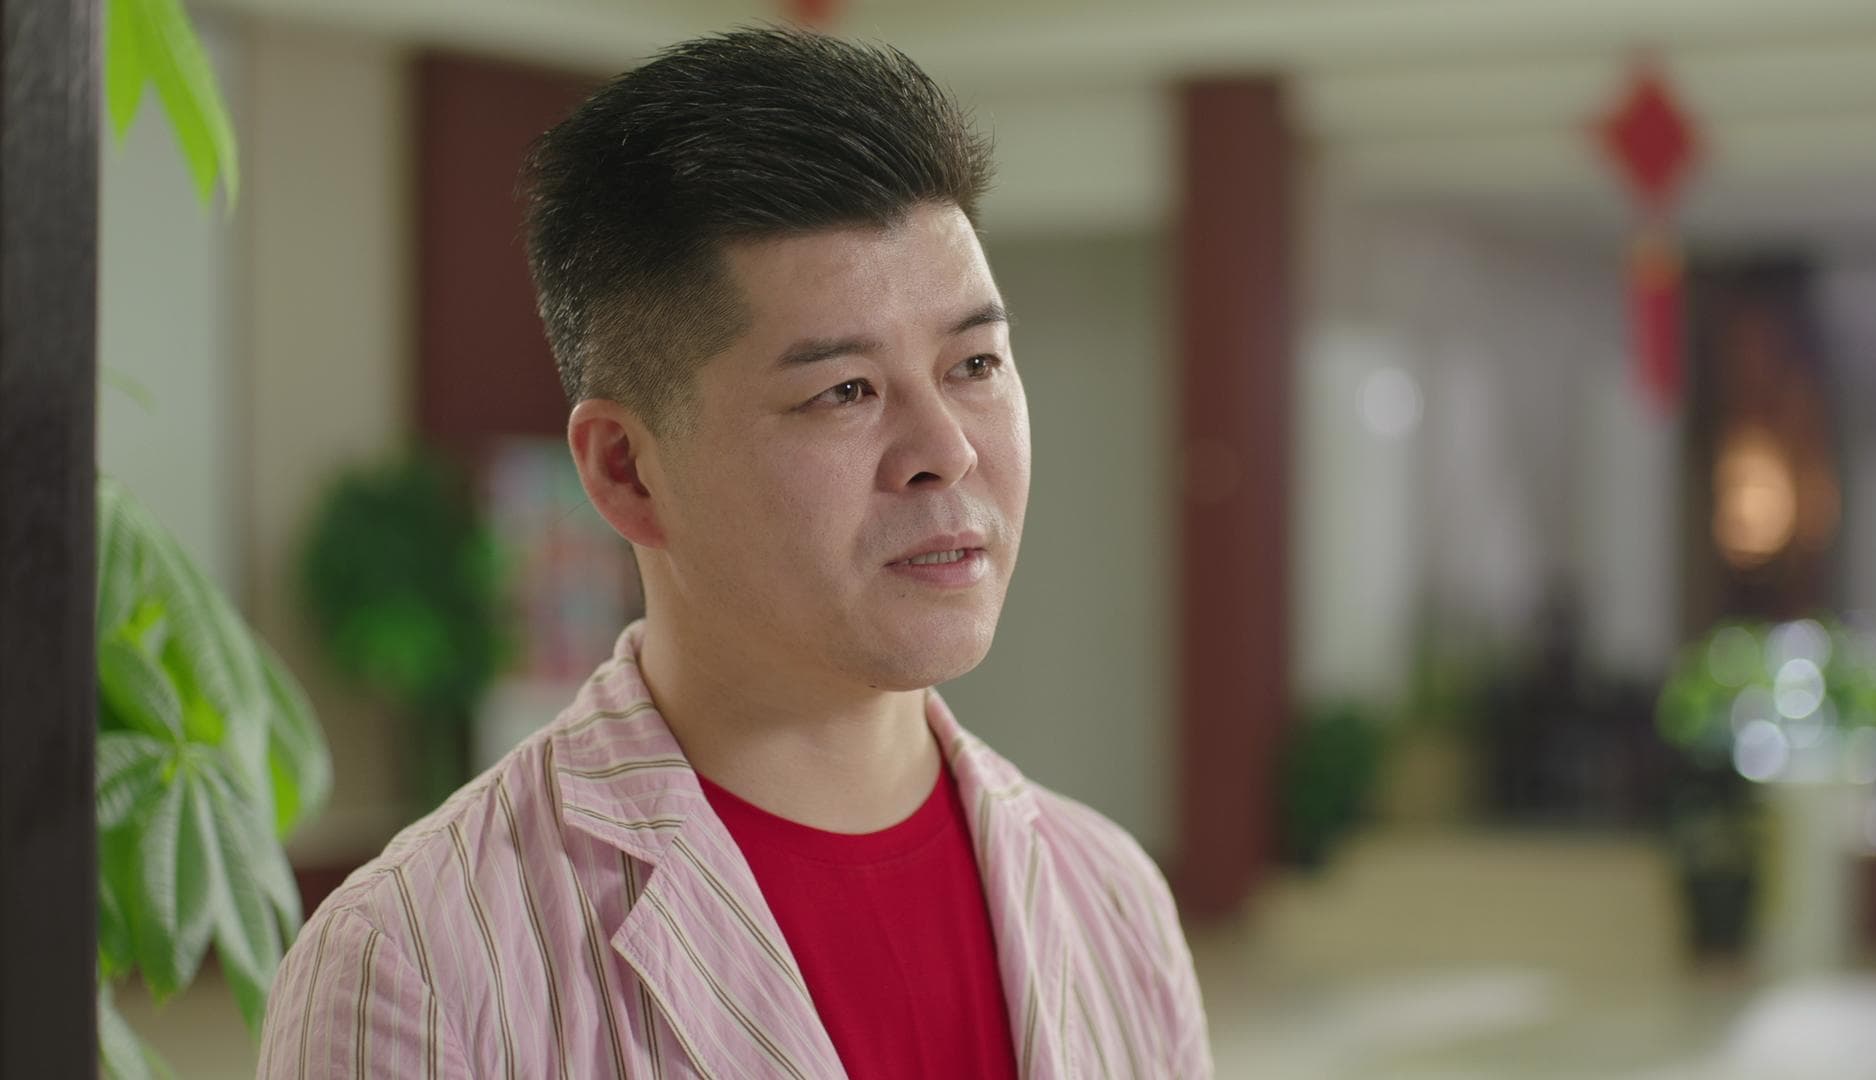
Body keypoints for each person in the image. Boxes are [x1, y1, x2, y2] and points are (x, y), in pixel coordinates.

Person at [257, 27, 1211, 1079]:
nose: (946, 450)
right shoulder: (417, 968)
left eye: (975, 363)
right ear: (626, 469)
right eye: (844, 390)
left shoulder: (1113, 899)